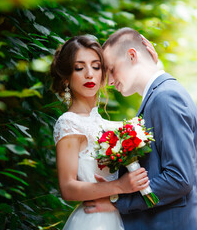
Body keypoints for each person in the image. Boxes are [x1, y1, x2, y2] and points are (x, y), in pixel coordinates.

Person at [83, 28, 197, 230]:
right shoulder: (159, 96)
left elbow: (179, 178)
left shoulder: (165, 97)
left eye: (111, 69)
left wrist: (119, 201)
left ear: (132, 56)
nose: (109, 82)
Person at [51, 35, 150, 230]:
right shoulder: (69, 123)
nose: (89, 74)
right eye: (79, 68)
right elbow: (68, 188)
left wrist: (151, 63)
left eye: (96, 66)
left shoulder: (111, 127)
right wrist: (120, 186)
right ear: (66, 79)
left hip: (119, 217)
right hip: (93, 222)